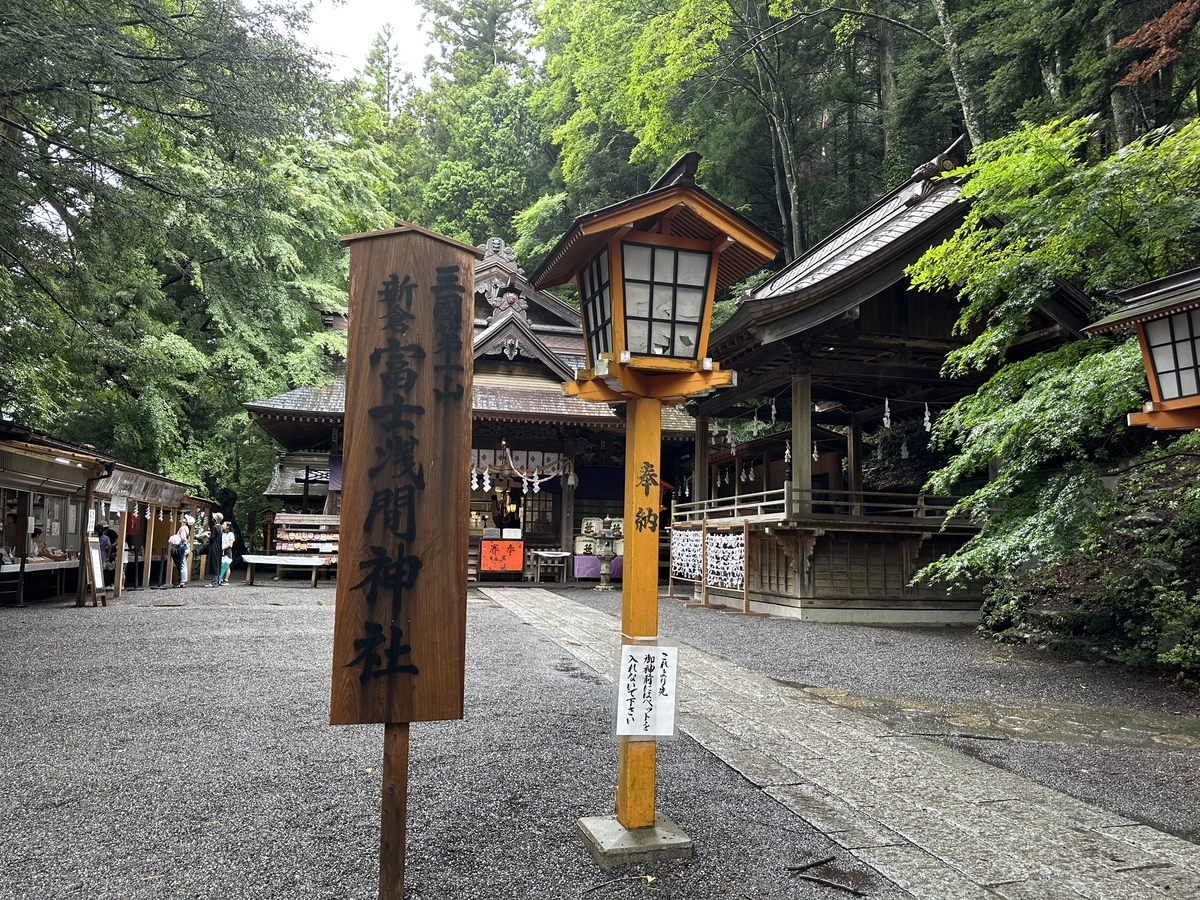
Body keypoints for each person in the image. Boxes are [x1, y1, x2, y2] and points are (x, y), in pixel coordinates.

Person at [205, 513, 224, 587]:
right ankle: (216, 580)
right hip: (219, 547)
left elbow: (212, 538)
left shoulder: (215, 527)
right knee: (217, 563)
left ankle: (214, 581)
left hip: (214, 547)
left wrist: (207, 536)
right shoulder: (221, 527)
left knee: (213, 563)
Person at [219, 520, 234, 585]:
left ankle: (226, 579)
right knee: (222, 565)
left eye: (224, 524)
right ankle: (221, 579)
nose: (222, 525)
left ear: (228, 526)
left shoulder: (231, 534)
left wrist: (223, 548)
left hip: (227, 551)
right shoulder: (222, 533)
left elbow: (230, 543)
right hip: (221, 551)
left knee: (226, 565)